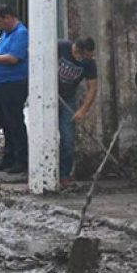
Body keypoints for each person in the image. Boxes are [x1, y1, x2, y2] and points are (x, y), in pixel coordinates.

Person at [0, 5, 29, 175]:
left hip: (14, 83)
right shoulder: (7, 33)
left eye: (0, 22)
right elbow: (2, 47)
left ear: (9, 17)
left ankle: (21, 159)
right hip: (1, 83)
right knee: (5, 122)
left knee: (14, 121)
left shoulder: (21, 33)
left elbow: (13, 58)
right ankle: (8, 156)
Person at [57, 37, 98, 188]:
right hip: (50, 97)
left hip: (68, 100)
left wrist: (83, 110)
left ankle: (64, 175)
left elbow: (92, 88)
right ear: (77, 52)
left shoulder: (89, 63)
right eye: (85, 56)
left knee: (67, 139)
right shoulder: (60, 47)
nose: (87, 59)